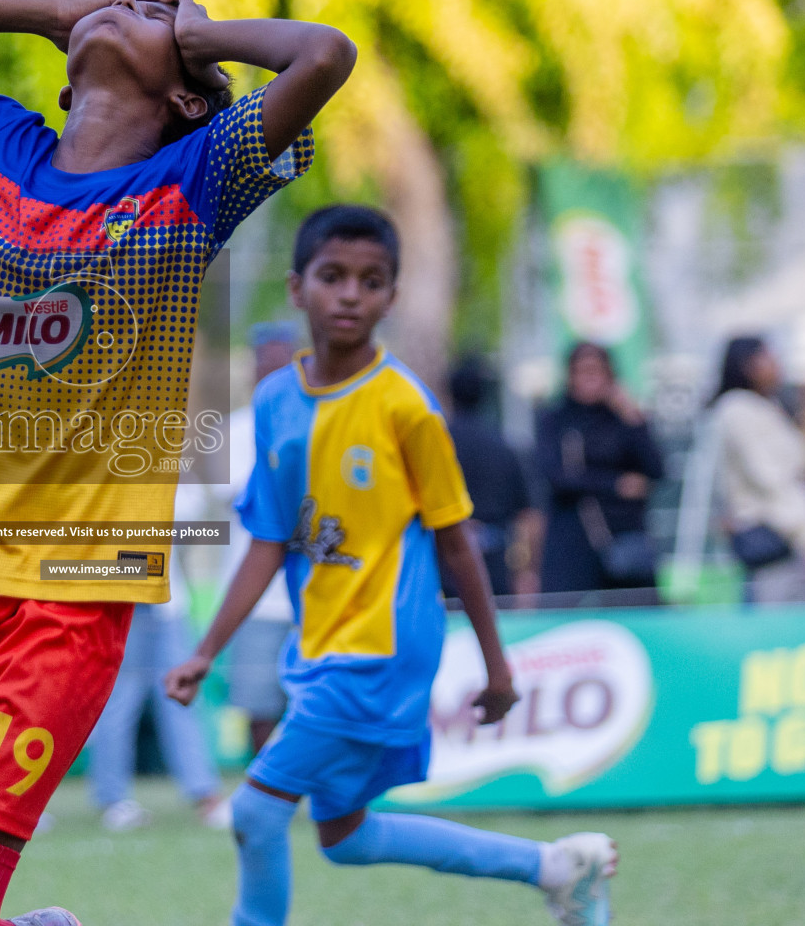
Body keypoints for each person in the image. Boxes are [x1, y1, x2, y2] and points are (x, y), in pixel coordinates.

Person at [0, 0, 353, 926]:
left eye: (157, 11)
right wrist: (42, 8)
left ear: (188, 94)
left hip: (73, 590)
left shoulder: (191, 181)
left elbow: (323, 55)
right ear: (63, 76)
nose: (128, 4)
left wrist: (197, 31)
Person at [166, 206, 618, 926]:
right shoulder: (279, 399)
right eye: (333, 276)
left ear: (392, 298)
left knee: (254, 814)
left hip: (380, 650)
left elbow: (457, 542)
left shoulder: (406, 407)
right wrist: (205, 649)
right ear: (297, 288)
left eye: (371, 281)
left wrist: (499, 667)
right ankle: (557, 868)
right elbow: (267, 539)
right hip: (317, 644)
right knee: (345, 837)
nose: (350, 294)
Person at [87, 478, 228, 833]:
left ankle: (203, 795)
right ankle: (113, 798)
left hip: (168, 601)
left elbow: (189, 513)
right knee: (119, 699)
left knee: (181, 698)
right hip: (121, 598)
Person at [535, 342, 664, 598]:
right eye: (583, 371)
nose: (590, 378)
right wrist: (615, 484)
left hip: (625, 538)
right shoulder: (556, 419)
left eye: (597, 371)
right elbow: (557, 476)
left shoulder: (623, 419)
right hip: (573, 541)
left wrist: (633, 419)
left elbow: (656, 470)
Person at [710, 336, 805, 603]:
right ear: (747, 365)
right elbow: (770, 479)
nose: (776, 363)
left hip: (795, 542)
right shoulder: (736, 409)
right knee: (776, 630)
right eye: (768, 356)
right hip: (773, 543)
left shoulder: (770, 406)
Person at [225, 323, 300, 755]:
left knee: (307, 702)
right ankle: (265, 788)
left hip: (309, 591)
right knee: (259, 704)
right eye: (264, 359)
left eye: (281, 359)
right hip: (254, 593)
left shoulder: (312, 419)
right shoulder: (234, 430)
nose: (272, 368)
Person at [446, 355, 542, 601]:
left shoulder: (438, 444)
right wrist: (527, 571)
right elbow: (529, 515)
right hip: (495, 563)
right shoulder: (503, 446)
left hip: (444, 561)